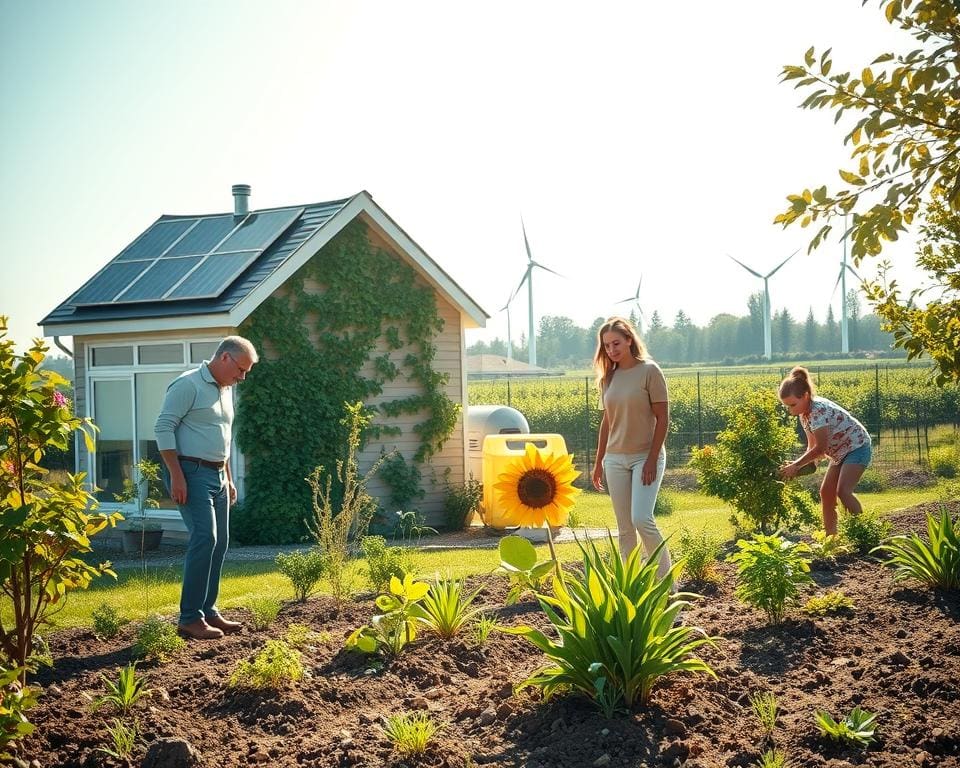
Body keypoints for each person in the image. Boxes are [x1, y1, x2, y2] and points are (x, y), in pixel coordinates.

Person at [155, 336, 258, 640]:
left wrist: (228, 475)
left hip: (217, 475)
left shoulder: (225, 389)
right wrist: (176, 475)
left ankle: (208, 610)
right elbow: (163, 427)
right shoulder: (187, 385)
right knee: (205, 538)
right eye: (240, 370)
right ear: (225, 358)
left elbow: (221, 436)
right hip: (190, 472)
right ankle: (189, 617)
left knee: (220, 542)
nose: (242, 378)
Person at [591, 316, 672, 578]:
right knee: (624, 528)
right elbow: (607, 421)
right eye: (606, 345)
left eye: (616, 343)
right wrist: (598, 461)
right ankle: (631, 585)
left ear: (629, 340)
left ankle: (666, 584)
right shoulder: (608, 379)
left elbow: (663, 418)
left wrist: (650, 460)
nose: (612, 350)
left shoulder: (649, 371)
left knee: (641, 519)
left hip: (644, 458)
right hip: (615, 460)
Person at [778, 366, 872, 536]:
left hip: (857, 446)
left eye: (792, 404)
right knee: (826, 493)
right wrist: (797, 467)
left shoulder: (818, 411)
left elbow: (820, 448)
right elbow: (813, 448)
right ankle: (831, 539)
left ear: (805, 396)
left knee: (843, 491)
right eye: (787, 406)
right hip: (839, 453)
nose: (790, 410)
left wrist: (796, 464)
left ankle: (863, 533)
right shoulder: (804, 414)